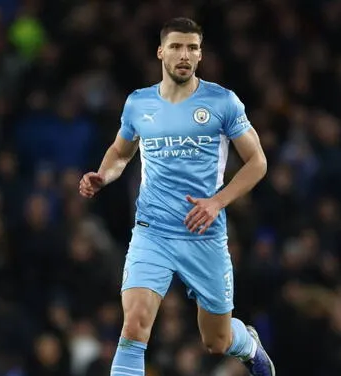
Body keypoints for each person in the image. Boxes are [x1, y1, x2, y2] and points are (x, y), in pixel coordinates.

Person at [79, 17, 275, 376]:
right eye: (176, 46)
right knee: (134, 325)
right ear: (161, 52)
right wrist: (103, 175)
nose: (184, 54)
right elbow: (121, 153)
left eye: (192, 48)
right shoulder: (139, 104)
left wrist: (217, 202)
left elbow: (258, 162)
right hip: (152, 230)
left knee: (215, 341)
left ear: (200, 55)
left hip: (203, 233)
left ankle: (247, 344)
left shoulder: (222, 102)